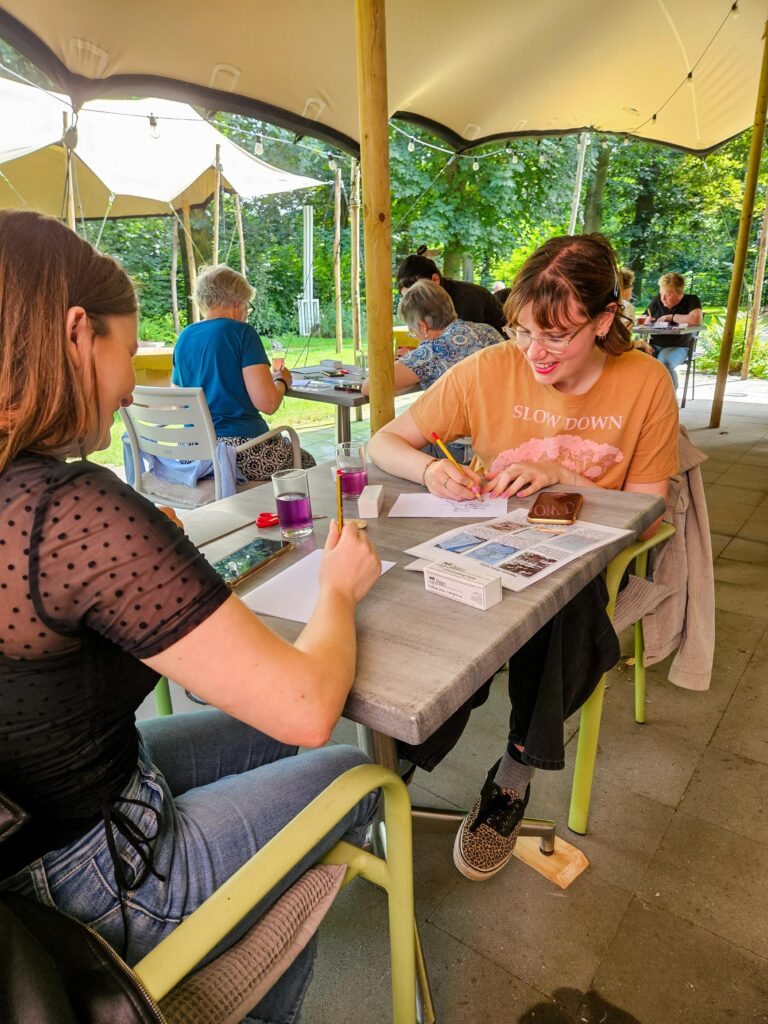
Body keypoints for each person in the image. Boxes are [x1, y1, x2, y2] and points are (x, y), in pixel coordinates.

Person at [0, 211, 382, 1023]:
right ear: (77, 333)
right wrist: (339, 588)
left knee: (264, 739)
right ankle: (241, 988)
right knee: (353, 771)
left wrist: (140, 561)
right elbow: (308, 707)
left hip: (26, 849)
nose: (128, 387)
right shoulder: (69, 509)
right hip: (100, 881)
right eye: (126, 349)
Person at [369, 233, 679, 882]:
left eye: (556, 337)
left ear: (603, 321)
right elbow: (386, 442)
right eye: (523, 331)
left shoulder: (644, 381)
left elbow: (650, 510)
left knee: (559, 615)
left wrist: (564, 480)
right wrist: (430, 472)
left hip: (584, 564)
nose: (534, 353)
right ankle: (400, 758)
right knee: (423, 606)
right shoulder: (490, 368)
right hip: (485, 548)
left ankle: (513, 775)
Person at [172, 265, 315, 480]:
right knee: (307, 463)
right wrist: (283, 382)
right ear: (238, 302)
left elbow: (179, 403)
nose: (247, 311)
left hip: (193, 453)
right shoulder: (242, 333)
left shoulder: (184, 337)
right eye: (247, 304)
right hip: (240, 452)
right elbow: (268, 404)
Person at [361, 279, 500, 397]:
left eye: (412, 330)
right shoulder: (487, 330)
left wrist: (411, 370)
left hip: (469, 419)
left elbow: (370, 387)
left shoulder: (431, 352)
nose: (415, 335)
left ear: (423, 327)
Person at [396, 245, 506, 334]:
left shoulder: (467, 298)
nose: (414, 304)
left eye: (417, 296)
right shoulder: (438, 301)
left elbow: (463, 343)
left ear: (435, 280)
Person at [643, 272, 703, 390]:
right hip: (653, 345)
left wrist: (672, 317)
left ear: (680, 293)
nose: (663, 298)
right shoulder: (657, 300)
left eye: (668, 294)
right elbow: (644, 317)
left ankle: (670, 396)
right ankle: (644, 395)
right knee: (634, 359)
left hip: (679, 347)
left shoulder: (691, 300)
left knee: (664, 362)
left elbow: (696, 319)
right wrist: (646, 320)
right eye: (661, 294)